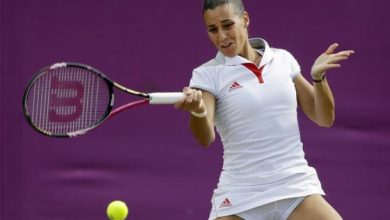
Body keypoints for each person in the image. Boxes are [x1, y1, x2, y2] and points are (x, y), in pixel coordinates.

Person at [174, 0, 354, 219]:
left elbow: (324, 117)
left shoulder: (283, 59)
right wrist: (198, 110)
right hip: (240, 196)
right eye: (213, 29)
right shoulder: (207, 74)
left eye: (227, 25)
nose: (221, 36)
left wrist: (319, 78)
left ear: (245, 20)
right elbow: (205, 138)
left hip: (294, 187)